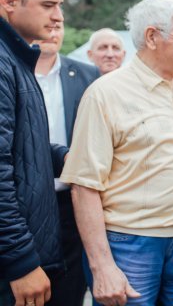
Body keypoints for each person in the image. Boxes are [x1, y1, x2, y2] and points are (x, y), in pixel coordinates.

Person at [60, 0, 173, 306]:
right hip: (129, 244)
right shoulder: (105, 94)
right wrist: (102, 266)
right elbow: (83, 186)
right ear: (152, 36)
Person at [0, 0, 67, 306]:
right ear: (9, 1)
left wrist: (66, 157)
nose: (58, 16)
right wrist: (20, 262)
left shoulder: (16, 57)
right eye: (48, 5)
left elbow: (20, 148)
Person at [35, 22, 100, 306]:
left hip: (72, 198)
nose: (52, 30)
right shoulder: (12, 71)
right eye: (46, 22)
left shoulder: (86, 73)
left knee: (70, 288)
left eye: (59, 25)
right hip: (23, 203)